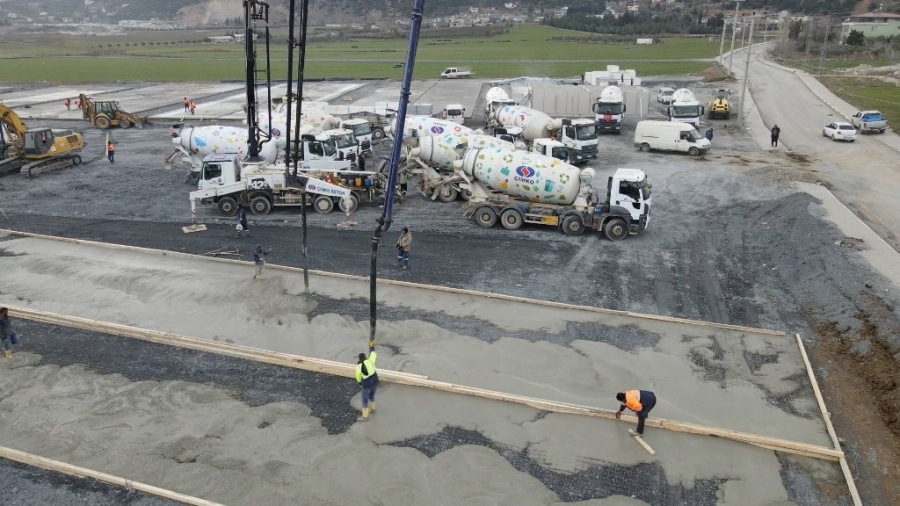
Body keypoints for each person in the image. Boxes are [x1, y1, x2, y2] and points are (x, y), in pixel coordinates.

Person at [355, 339, 379, 422]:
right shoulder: (370, 361)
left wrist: (360, 384)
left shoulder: (358, 367)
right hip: (375, 380)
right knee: (372, 396)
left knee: (364, 400)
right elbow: (373, 354)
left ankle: (365, 417)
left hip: (367, 384)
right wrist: (371, 346)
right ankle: (373, 409)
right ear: (365, 357)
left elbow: (358, 377)